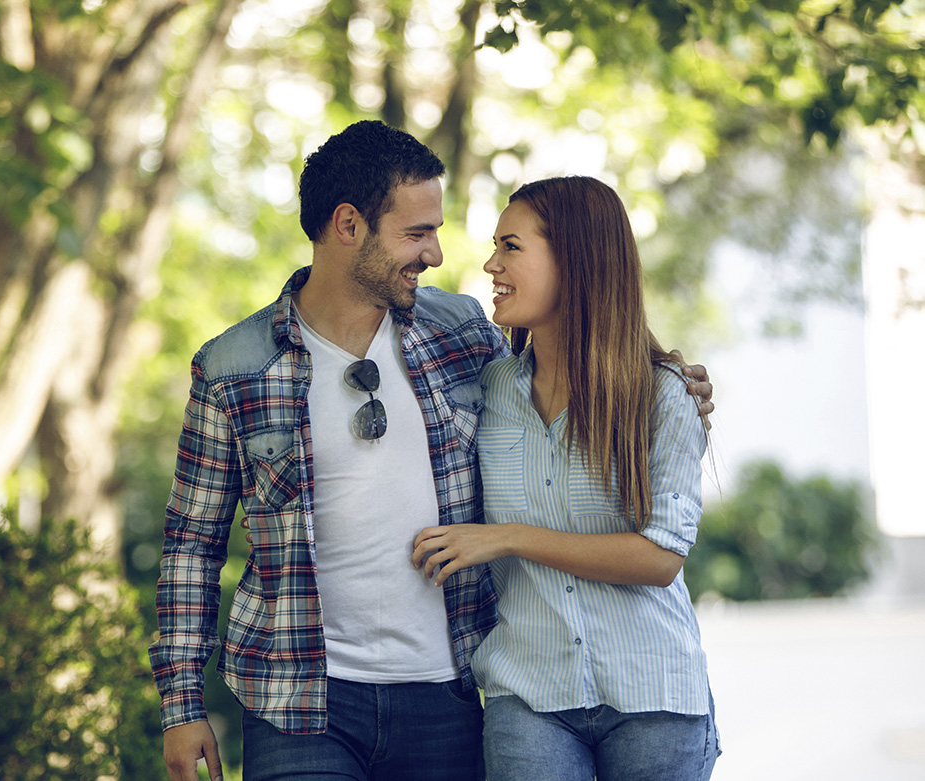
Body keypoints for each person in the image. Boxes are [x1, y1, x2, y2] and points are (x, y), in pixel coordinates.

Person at [150, 122, 714, 781]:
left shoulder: (462, 334)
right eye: (417, 232)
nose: (437, 253)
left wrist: (673, 387)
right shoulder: (233, 367)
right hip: (299, 700)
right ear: (348, 225)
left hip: (446, 690)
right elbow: (191, 546)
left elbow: (578, 368)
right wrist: (180, 703)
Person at [412, 176, 721, 780]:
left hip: (654, 696)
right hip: (528, 696)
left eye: (511, 246)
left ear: (574, 259)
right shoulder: (489, 388)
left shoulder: (663, 395)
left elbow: (661, 558)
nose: (491, 263)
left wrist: (506, 537)